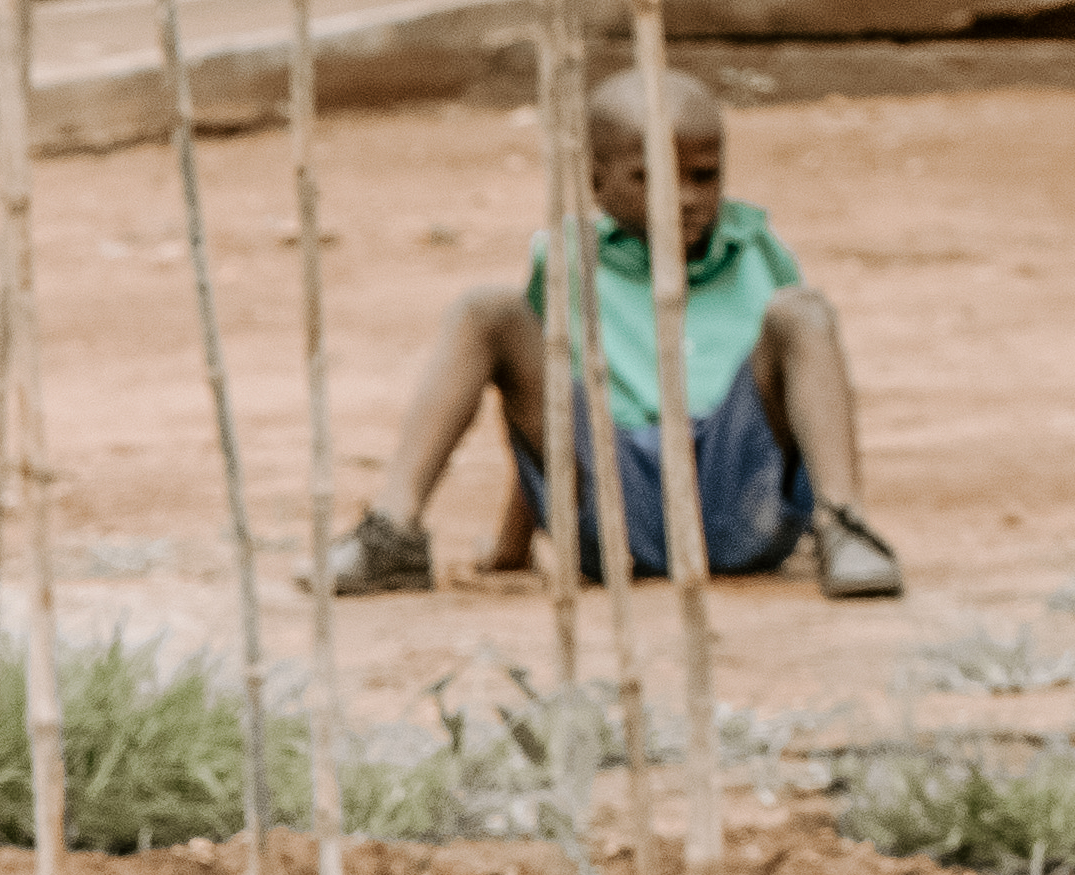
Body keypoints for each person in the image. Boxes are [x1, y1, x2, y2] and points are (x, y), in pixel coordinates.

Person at [325, 71, 894, 602]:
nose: (688, 198)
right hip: (612, 505)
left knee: (804, 313)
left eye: (705, 175)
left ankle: (843, 524)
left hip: (738, 498)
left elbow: (803, 402)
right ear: (596, 183)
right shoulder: (568, 260)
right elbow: (543, 414)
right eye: (653, 178)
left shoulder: (759, 250)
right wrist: (512, 546)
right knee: (488, 310)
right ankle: (392, 530)